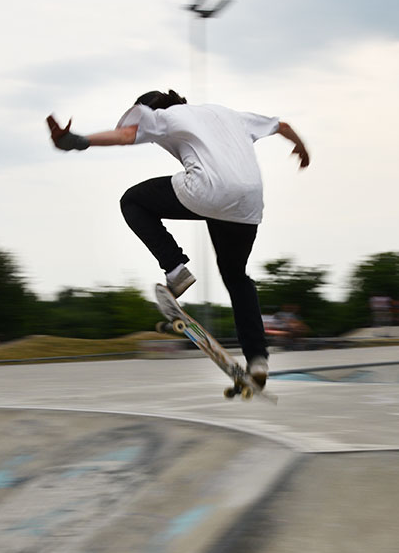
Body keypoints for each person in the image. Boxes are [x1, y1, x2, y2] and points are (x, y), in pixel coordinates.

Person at [46, 89, 310, 385]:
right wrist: (302, 148)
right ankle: (258, 360)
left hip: (207, 190)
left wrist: (77, 141)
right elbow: (282, 127)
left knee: (132, 201)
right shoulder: (226, 114)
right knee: (237, 278)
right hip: (249, 202)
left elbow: (124, 135)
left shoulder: (165, 116)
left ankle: (175, 269)